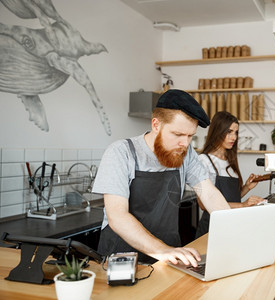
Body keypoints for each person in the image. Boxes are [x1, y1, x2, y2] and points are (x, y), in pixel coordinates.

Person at [92, 89, 230, 267]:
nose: (185, 143)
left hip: (167, 257)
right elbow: (117, 216)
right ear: (156, 125)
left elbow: (208, 193)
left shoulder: (186, 155)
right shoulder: (121, 152)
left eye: (190, 136)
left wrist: (233, 228)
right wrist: (161, 250)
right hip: (121, 260)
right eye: (178, 135)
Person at [195, 111, 266, 238]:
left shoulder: (230, 160)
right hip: (212, 228)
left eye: (236, 132)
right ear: (217, 131)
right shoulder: (204, 160)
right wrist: (242, 205)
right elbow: (204, 204)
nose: (234, 137)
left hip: (232, 224)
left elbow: (231, 198)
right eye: (229, 132)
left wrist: (246, 187)